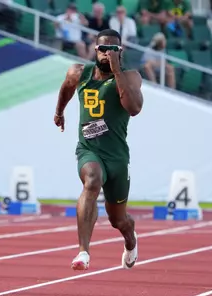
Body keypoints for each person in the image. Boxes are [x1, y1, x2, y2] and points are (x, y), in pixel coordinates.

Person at [53, 29, 142, 271]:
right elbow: (66, 89)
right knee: (91, 180)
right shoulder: (79, 73)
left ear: (120, 51)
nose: (106, 54)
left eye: (112, 49)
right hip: (89, 150)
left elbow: (133, 108)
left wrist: (116, 70)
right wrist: (59, 113)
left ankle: (131, 241)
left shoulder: (130, 77)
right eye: (103, 49)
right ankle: (83, 251)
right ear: (95, 49)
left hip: (117, 157)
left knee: (118, 220)